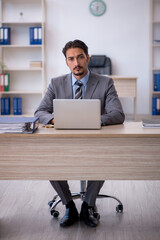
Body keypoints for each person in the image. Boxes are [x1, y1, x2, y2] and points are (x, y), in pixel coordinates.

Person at [35, 39, 125, 228]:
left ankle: (88, 205)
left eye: (80, 57)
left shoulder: (105, 83)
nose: (76, 63)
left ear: (87, 58)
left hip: (94, 141)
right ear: (66, 62)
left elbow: (117, 114)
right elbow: (40, 112)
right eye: (71, 59)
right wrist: (54, 119)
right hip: (63, 142)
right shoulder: (55, 83)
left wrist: (93, 120)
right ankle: (69, 205)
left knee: (102, 159)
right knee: (49, 161)